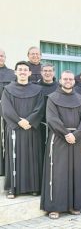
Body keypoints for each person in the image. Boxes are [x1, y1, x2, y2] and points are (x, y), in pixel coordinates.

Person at [40, 70, 81, 219]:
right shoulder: (52, 98)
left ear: (74, 81)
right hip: (59, 139)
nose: (68, 81)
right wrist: (66, 134)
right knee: (58, 173)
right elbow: (52, 119)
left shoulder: (80, 99)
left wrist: (76, 135)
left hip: (75, 140)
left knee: (75, 173)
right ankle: (55, 207)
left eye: (70, 79)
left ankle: (73, 205)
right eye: (65, 79)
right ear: (60, 80)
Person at [1, 61, 44, 198]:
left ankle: (34, 187)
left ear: (30, 73)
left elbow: (40, 108)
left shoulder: (37, 90)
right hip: (15, 129)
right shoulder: (8, 89)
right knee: (14, 157)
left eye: (25, 70)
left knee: (33, 158)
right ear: (15, 72)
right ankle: (13, 189)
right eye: (20, 69)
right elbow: (6, 109)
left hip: (32, 129)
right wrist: (19, 121)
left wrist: (30, 121)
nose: (23, 72)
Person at [37, 63, 59, 164]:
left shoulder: (59, 87)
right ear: (41, 72)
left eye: (50, 71)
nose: (47, 73)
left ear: (54, 73)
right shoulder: (35, 87)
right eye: (45, 71)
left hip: (54, 126)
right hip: (38, 125)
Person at [0, 49, 15, 176]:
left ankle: (6, 167)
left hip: (8, 110)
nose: (0, 57)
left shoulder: (11, 74)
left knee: (7, 138)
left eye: (2, 55)